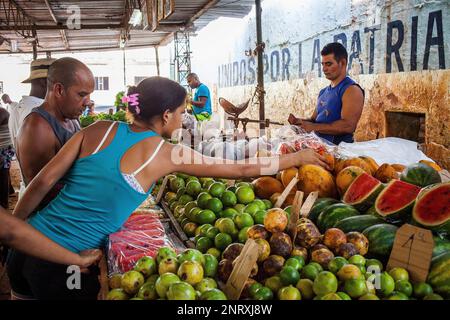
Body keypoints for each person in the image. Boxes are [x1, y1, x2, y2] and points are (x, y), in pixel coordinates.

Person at [8, 76, 329, 299]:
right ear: (165, 114)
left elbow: (41, 183)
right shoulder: (166, 154)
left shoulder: (99, 130)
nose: (184, 116)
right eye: (182, 110)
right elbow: (243, 169)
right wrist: (295, 158)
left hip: (24, 250)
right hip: (63, 264)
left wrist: (16, 232)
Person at [15, 57, 91, 206]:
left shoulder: (71, 118)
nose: (88, 101)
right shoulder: (37, 127)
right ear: (59, 90)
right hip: (50, 220)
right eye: (81, 94)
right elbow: (41, 192)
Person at [288, 42, 364, 145]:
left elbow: (348, 126)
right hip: (319, 148)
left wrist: (313, 127)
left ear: (342, 63)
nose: (324, 69)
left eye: (328, 64)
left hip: (338, 152)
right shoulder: (323, 92)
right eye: (323, 64)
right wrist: (300, 122)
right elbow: (314, 120)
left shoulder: (351, 90)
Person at [0, 107, 13, 208]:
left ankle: (3, 203)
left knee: (2, 172)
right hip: (4, 146)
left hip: (4, 148)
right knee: (4, 170)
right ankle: (10, 190)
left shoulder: (1, 111)